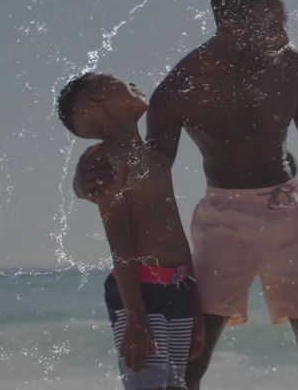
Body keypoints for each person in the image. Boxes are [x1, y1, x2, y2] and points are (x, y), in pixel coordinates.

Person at [73, 0, 298, 390]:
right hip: (224, 215)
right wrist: (84, 183)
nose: (282, 34)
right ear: (230, 25)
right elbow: (149, 178)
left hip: (292, 208)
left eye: (283, 21)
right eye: (269, 24)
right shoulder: (179, 89)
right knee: (194, 354)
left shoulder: (295, 70)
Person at [56, 72, 203, 389]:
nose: (133, 83)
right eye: (120, 81)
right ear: (97, 101)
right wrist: (136, 318)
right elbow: (119, 242)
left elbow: (178, 236)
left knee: (175, 385)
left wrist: (197, 307)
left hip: (179, 288)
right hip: (140, 292)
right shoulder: (106, 162)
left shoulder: (156, 156)